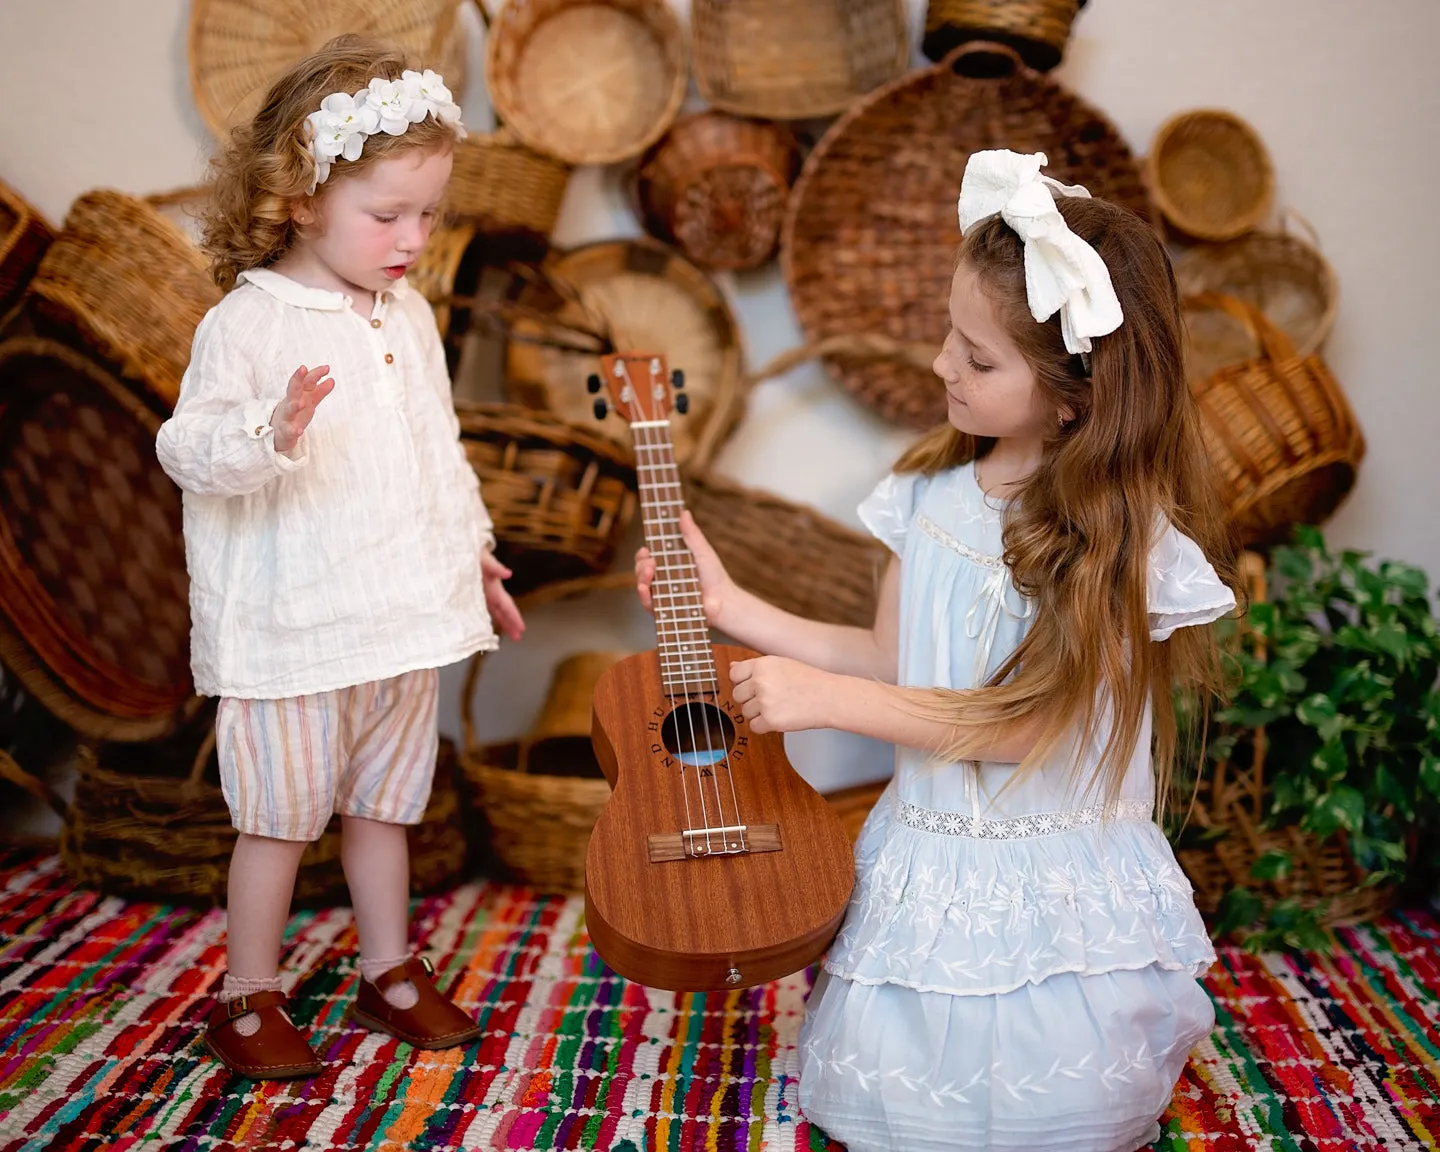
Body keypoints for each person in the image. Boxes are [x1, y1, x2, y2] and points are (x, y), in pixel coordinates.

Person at [635, 149, 1239, 1151]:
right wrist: (730, 601)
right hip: (931, 853)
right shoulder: (928, 496)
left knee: (1058, 1118)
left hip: (1047, 886)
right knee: (896, 1114)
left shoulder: (1114, 543)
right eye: (948, 338)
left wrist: (824, 701)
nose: (939, 368)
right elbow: (890, 656)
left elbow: (1028, 729)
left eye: (978, 357)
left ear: (1073, 395)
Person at [156, 36, 524, 1081]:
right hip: (295, 633)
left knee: (384, 809)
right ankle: (248, 992)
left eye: (429, 214)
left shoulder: (405, 311)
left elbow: (435, 459)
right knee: (276, 824)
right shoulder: (250, 321)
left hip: (400, 621)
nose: (413, 238)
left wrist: (475, 561)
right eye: (387, 215)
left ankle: (388, 967)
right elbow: (186, 450)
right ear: (303, 198)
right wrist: (271, 432)